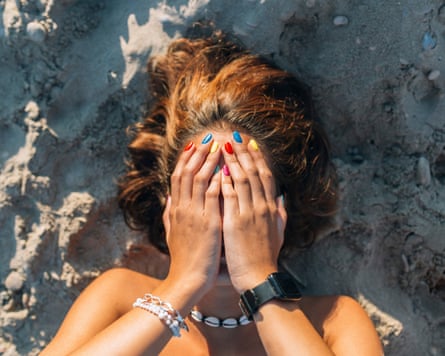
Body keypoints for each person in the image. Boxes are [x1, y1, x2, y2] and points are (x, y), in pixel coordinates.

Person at [41, 31, 383, 355]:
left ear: (280, 208)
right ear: (169, 204)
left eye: (241, 195)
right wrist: (181, 286)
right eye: (201, 195)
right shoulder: (117, 298)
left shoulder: (333, 323)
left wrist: (260, 282)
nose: (221, 224)